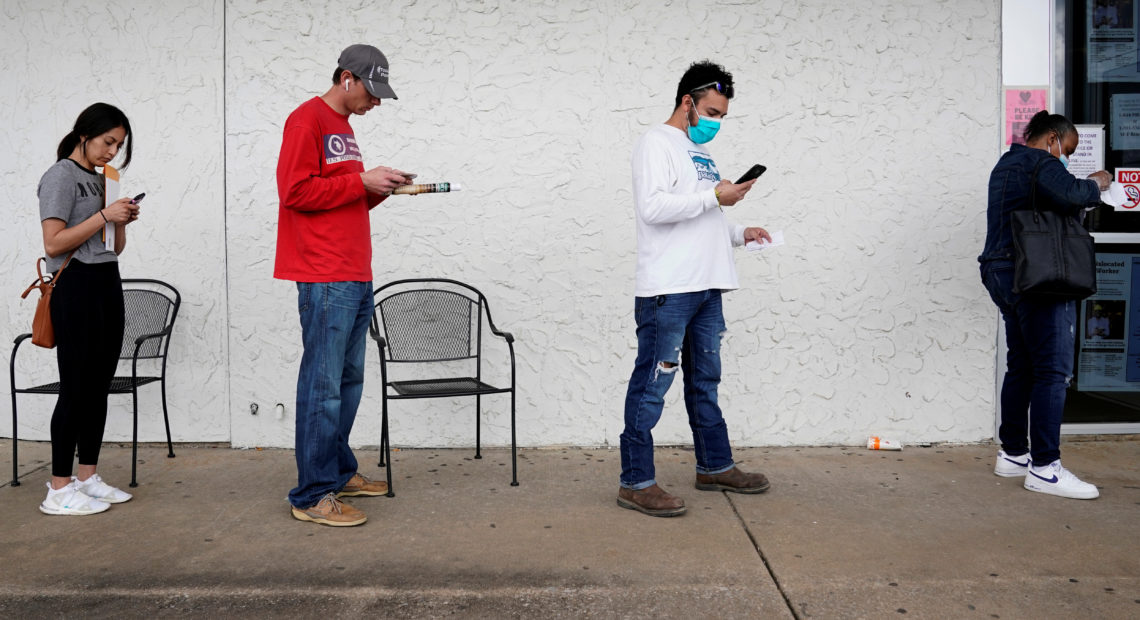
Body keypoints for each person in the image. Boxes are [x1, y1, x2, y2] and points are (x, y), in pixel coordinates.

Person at [618, 61, 773, 517]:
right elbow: (653, 208)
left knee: (705, 381)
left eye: (722, 115)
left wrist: (740, 230)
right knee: (653, 383)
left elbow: (703, 215)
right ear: (687, 102)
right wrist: (713, 197)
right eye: (710, 112)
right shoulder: (655, 143)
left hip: (708, 286)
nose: (715, 122)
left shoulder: (698, 153)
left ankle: (714, 466)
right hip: (670, 288)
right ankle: (635, 482)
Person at [275, 44, 415, 527]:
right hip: (324, 273)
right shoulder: (306, 120)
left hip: (355, 270)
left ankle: (335, 470)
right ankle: (312, 495)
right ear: (347, 77)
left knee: (347, 382)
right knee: (323, 385)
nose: (375, 103)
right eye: (372, 92)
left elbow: (339, 200)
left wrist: (379, 190)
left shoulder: (345, 130)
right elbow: (294, 193)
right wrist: (362, 182)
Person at [979, 110, 1111, 500]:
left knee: (1022, 364)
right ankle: (1045, 468)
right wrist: (1097, 183)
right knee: (1053, 371)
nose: (1064, 157)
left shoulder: (1008, 164)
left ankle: (1015, 453)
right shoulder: (1040, 161)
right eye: (1066, 150)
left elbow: (1048, 206)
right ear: (1053, 138)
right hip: (1037, 277)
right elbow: (1072, 194)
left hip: (1003, 272)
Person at [36, 102, 141, 515]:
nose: (112, 153)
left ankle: (87, 477)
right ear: (85, 133)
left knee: (99, 385)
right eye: (107, 142)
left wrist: (121, 223)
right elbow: (53, 244)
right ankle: (58, 489)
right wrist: (102, 214)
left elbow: (111, 247)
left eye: (118, 146)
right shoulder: (59, 177)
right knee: (75, 386)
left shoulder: (103, 181)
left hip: (105, 282)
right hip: (74, 285)